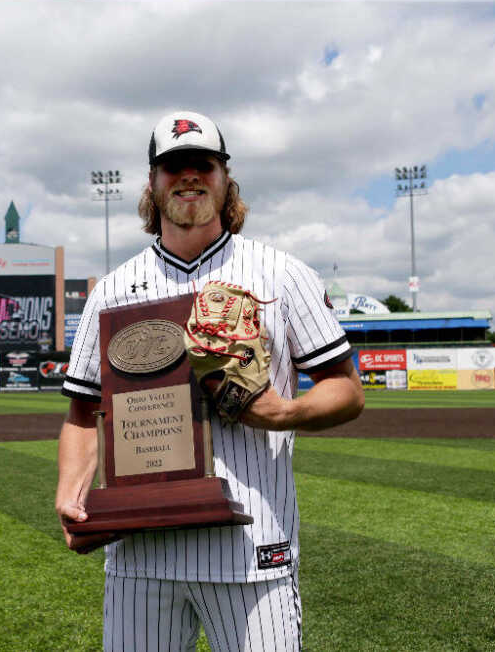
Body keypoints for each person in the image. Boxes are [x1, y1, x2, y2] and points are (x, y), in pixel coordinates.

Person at [57, 110, 364, 651]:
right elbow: (83, 413)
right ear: (152, 183)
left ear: (226, 179)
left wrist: (283, 412)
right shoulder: (112, 290)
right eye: (173, 166)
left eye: (203, 164)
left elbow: (346, 389)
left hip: (252, 548)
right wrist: (71, 492)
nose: (189, 176)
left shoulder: (281, 273)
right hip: (139, 554)